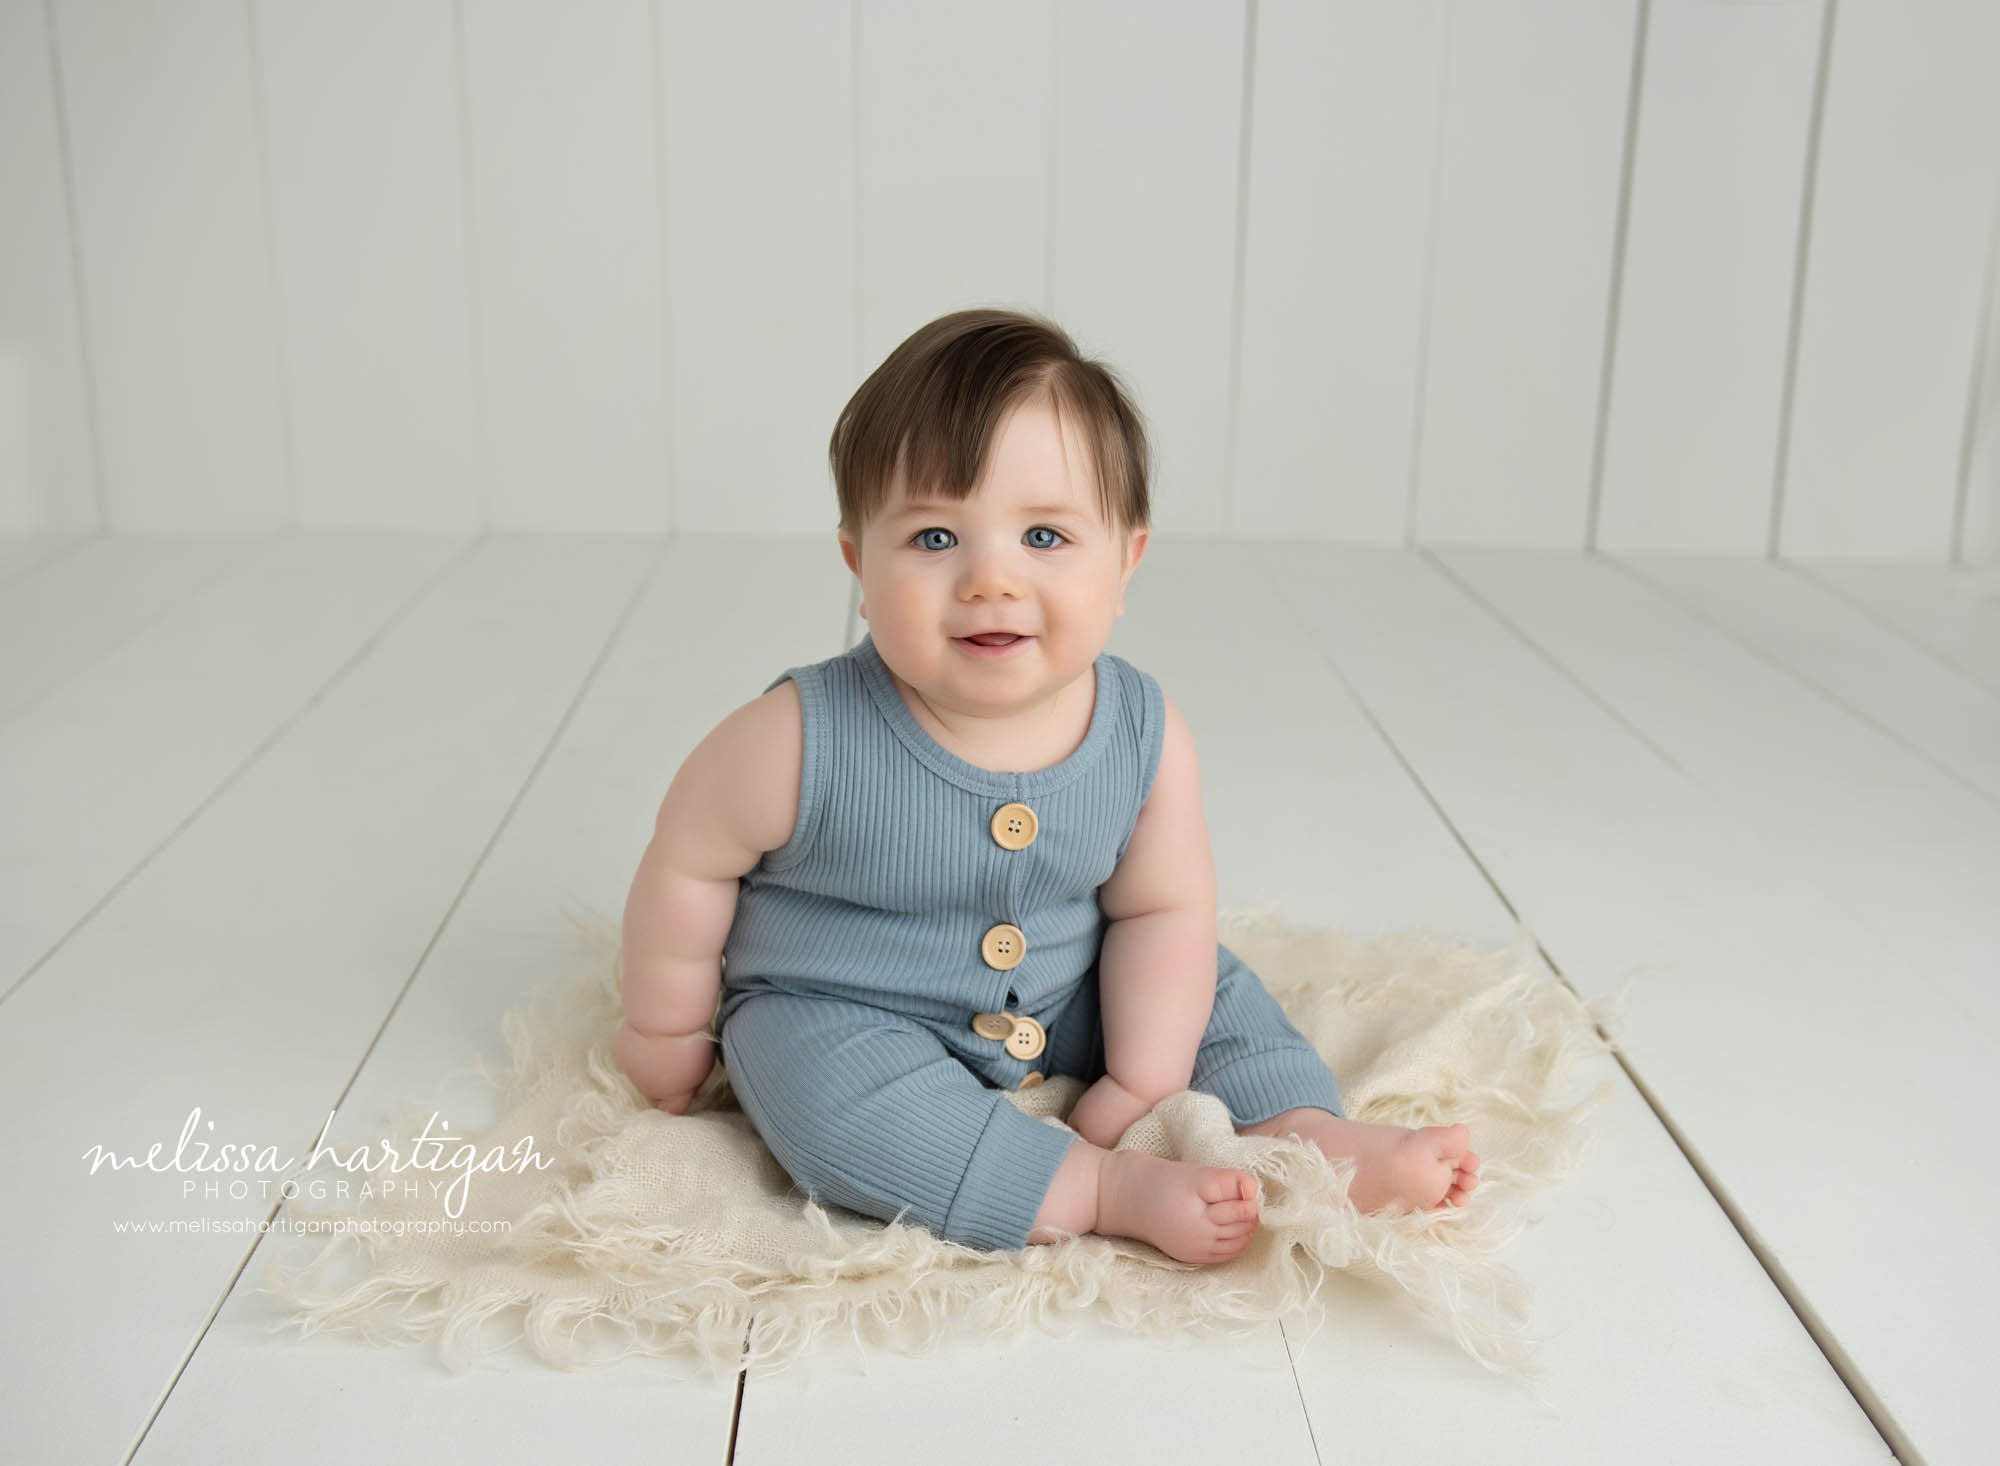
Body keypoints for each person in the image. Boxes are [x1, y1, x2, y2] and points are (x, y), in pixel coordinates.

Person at [614, 307, 1479, 1263]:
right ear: (859, 560)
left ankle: (1315, 1142)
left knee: (1209, 987)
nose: (991, 578)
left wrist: (1144, 1080)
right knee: (816, 1096)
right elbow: (688, 867)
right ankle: (1095, 1187)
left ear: (1125, 561)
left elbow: (1161, 912)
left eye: (1045, 537)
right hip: (845, 1006)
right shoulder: (796, 736)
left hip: (1066, 989)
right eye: (936, 538)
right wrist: (666, 1026)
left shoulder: (1143, 734)